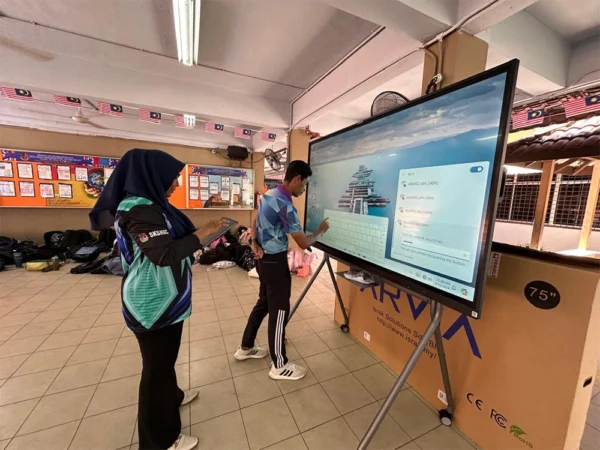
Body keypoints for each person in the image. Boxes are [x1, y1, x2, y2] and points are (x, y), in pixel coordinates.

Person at [90, 149, 224, 450]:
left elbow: (170, 244)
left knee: (164, 360)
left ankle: (172, 396)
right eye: (172, 179)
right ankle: (159, 441)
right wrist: (204, 233)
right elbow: (164, 254)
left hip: (164, 300)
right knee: (155, 370)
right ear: (152, 177)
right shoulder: (140, 211)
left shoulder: (150, 205)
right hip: (152, 304)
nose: (176, 185)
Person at [235, 160, 329, 380]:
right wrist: (320, 231)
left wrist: (254, 243)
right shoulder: (285, 205)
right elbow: (304, 243)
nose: (304, 189)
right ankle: (279, 364)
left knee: (264, 304)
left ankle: (246, 347)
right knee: (279, 312)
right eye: (304, 184)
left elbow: (255, 217)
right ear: (297, 179)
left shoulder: (268, 195)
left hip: (262, 259)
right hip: (275, 263)